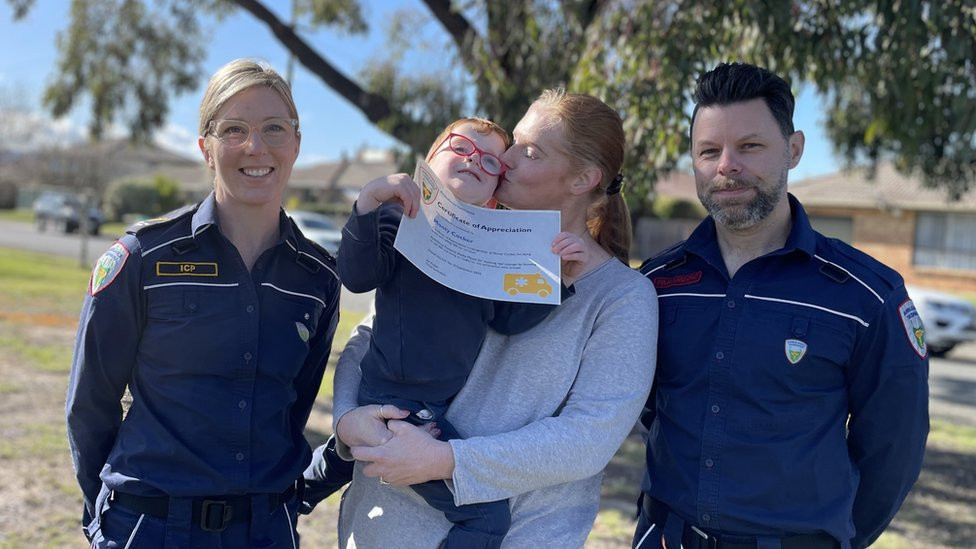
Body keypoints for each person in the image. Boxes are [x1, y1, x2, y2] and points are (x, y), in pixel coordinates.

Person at [303, 89, 659, 548]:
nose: (504, 159)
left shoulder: (622, 297)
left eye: (528, 152)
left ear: (583, 178)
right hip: (376, 531)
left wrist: (447, 461)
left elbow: (586, 440)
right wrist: (348, 422)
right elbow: (367, 338)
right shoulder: (436, 232)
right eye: (511, 144)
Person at [634, 62, 929, 549]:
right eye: (709, 151)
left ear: (793, 150)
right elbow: (646, 408)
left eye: (750, 146)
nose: (727, 165)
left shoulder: (867, 295)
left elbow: (892, 449)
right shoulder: (658, 283)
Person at [65, 58, 341, 548]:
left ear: (296, 144)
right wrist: (103, 518)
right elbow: (90, 406)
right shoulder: (141, 259)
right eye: (234, 129)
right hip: (147, 527)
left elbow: (294, 408)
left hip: (265, 531)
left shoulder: (317, 278)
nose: (256, 147)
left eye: (274, 128)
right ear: (206, 149)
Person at [325, 116, 587, 548]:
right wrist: (368, 204)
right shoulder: (398, 217)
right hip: (396, 400)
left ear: (496, 190)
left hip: (435, 405)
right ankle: (313, 478)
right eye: (461, 147)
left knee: (350, 452)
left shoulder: (499, 248)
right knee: (485, 519)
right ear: (430, 158)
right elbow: (355, 276)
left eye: (490, 162)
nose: (474, 162)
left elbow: (508, 320)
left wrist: (559, 278)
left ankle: (316, 476)